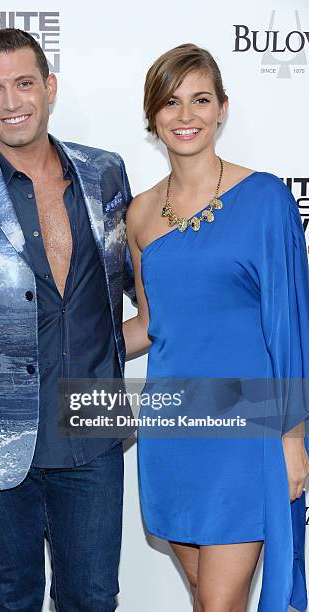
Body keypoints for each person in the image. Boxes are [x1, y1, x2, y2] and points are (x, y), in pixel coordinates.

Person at [0, 28, 135, 611]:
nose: (11, 103)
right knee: (10, 601)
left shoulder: (106, 174)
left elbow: (139, 292)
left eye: (23, 84)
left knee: (92, 598)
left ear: (49, 87)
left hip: (94, 433)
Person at [123, 43, 309, 611]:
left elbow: (290, 326)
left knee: (220, 604)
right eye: (172, 102)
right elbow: (151, 325)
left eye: (200, 100)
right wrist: (58, 350)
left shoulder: (267, 198)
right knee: (209, 600)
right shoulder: (141, 213)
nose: (186, 116)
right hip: (171, 431)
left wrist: (294, 437)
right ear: (153, 116)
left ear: (222, 108)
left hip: (245, 431)